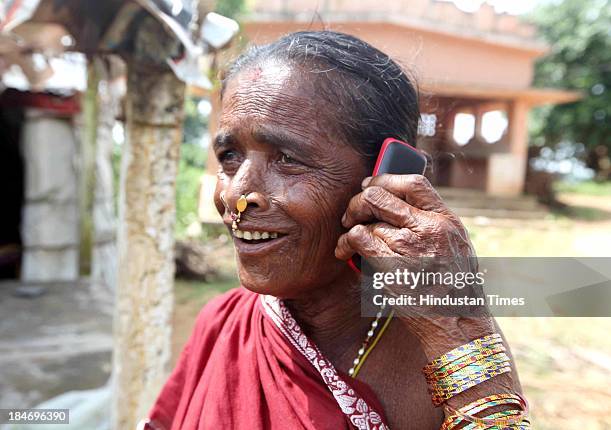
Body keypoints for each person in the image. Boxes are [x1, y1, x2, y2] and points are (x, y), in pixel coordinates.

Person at [141, 31, 527, 430]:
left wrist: (458, 326)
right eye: (230, 156)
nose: (237, 195)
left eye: (288, 159)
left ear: (386, 176)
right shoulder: (220, 324)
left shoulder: (453, 349)